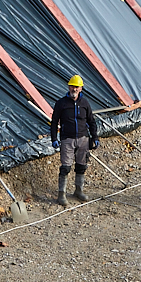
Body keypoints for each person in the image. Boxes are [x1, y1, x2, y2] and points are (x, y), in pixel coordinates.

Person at [51, 75, 98, 206]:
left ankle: (79, 190)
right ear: (68, 87)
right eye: (72, 86)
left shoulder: (85, 103)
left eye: (77, 87)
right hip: (67, 139)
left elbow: (91, 121)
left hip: (83, 138)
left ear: (81, 88)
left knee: (81, 166)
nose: (74, 89)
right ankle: (61, 194)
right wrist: (54, 138)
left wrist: (95, 137)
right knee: (65, 167)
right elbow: (54, 122)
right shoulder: (61, 104)